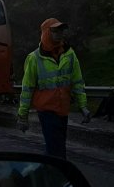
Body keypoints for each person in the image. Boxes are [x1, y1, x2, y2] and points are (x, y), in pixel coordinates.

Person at [17, 18, 90, 159]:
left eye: (61, 30)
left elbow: (77, 82)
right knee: (56, 150)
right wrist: (23, 116)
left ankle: (51, 174)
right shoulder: (34, 58)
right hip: (47, 111)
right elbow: (27, 89)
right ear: (46, 33)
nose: (59, 33)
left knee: (58, 147)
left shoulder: (69, 54)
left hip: (63, 109)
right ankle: (57, 174)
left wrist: (83, 106)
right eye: (55, 30)